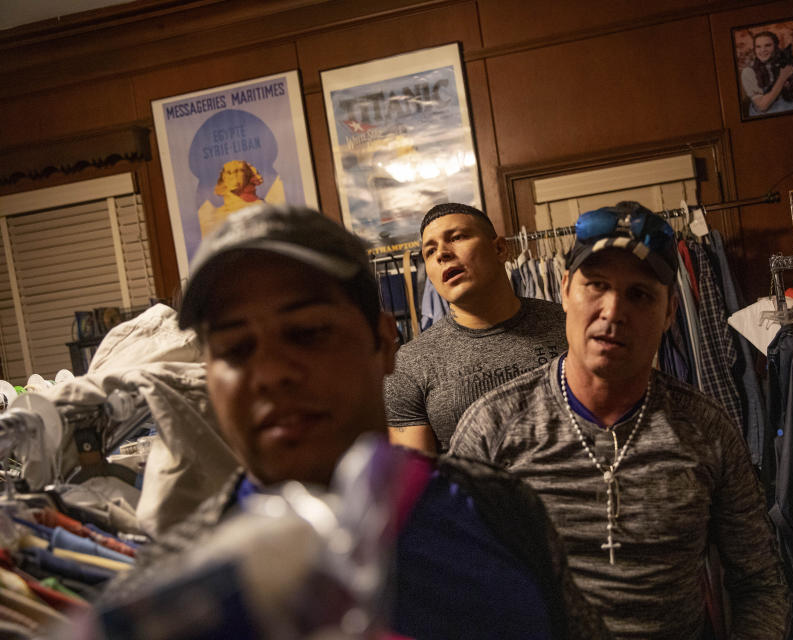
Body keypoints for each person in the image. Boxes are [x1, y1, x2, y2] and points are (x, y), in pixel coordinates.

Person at [95, 204, 609, 639]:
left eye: (309, 332)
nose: (271, 373)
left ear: (384, 343)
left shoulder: (494, 510)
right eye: (234, 348)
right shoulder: (175, 588)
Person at [449, 203, 791, 639]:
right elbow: (451, 586)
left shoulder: (705, 429)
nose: (612, 310)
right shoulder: (494, 427)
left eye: (640, 294)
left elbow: (760, 581)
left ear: (670, 313)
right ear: (565, 288)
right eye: (596, 285)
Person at [385, 202, 566, 455]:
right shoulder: (409, 365)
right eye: (429, 251)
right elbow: (417, 482)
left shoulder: (569, 325)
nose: (442, 254)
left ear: (500, 249)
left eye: (457, 237)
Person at [741, 30, 793, 117]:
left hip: (786, 105)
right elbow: (762, 106)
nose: (763, 50)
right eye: (758, 47)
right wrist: (782, 78)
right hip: (765, 114)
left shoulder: (781, 64)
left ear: (776, 47)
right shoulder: (748, 72)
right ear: (754, 49)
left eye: (767, 45)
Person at [198, 159, 265, 236]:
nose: (233, 176)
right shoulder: (212, 216)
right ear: (224, 177)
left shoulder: (260, 209)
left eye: (238, 171)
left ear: (247, 176)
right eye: (229, 173)